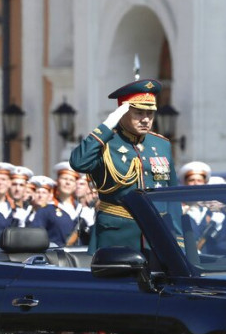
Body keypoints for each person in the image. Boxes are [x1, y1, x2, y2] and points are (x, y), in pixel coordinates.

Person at [69, 78, 174, 250]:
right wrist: (108, 124)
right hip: (116, 236)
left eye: (150, 114)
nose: (146, 119)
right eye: (139, 113)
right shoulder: (106, 143)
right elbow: (78, 162)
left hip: (156, 235)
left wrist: (177, 239)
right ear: (123, 113)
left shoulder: (161, 144)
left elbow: (171, 196)